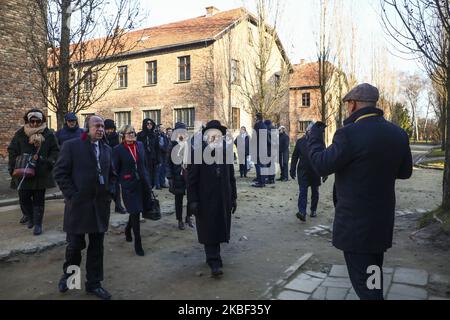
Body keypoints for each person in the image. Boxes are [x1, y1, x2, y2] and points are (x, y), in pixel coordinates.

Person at [307, 83, 413, 300]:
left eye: (348, 105)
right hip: (381, 223)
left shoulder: (348, 135)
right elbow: (405, 172)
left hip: (357, 227)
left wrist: (314, 138)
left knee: (367, 289)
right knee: (373, 276)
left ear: (353, 105)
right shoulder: (398, 134)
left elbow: (321, 165)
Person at [53, 115, 115, 300]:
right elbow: (60, 172)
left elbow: (112, 174)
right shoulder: (72, 146)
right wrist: (72, 195)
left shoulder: (106, 149)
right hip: (78, 208)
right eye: (96, 125)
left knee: (97, 247)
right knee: (74, 246)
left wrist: (109, 192)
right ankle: (70, 276)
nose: (101, 129)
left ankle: (94, 284)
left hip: (99, 208)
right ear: (87, 128)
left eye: (102, 126)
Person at [187, 120, 237, 277]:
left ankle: (215, 256)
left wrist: (233, 197)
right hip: (205, 200)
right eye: (212, 135)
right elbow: (191, 181)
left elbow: (231, 178)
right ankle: (213, 261)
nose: (215, 138)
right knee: (209, 230)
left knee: (219, 228)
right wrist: (193, 201)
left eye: (218, 136)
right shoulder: (197, 154)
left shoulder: (226, 153)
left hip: (223, 198)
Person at [7, 109, 59, 235]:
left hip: (41, 172)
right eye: (32, 121)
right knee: (24, 198)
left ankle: (37, 224)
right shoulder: (20, 134)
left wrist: (48, 161)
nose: (35, 124)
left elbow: (55, 151)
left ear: (42, 121)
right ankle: (30, 217)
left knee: (39, 199)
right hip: (23, 171)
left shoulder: (48, 134)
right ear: (28, 121)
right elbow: (12, 149)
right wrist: (15, 163)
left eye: (38, 121)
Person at [113, 125, 152, 256]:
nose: (132, 135)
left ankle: (128, 229)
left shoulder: (139, 145)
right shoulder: (118, 150)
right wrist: (123, 180)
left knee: (137, 211)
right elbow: (115, 170)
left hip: (142, 184)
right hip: (129, 186)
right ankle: (138, 243)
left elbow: (144, 164)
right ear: (123, 135)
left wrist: (147, 180)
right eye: (129, 133)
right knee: (135, 211)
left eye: (133, 133)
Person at [290, 123, 325, 222]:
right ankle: (302, 212)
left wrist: (324, 173)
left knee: (315, 192)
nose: (311, 133)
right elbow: (295, 156)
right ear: (307, 131)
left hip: (315, 171)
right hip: (303, 171)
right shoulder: (300, 141)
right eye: (310, 131)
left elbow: (324, 157)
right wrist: (292, 169)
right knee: (303, 191)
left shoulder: (319, 142)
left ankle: (313, 210)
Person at [167, 122, 193, 230]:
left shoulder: (189, 144)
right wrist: (170, 177)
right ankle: (179, 220)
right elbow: (168, 162)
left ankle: (188, 217)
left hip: (189, 175)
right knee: (179, 199)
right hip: (177, 175)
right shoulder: (172, 144)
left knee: (191, 198)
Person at [104, 119, 126, 214]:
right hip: (104, 166)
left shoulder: (118, 138)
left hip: (115, 166)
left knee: (116, 188)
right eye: (107, 129)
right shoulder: (102, 138)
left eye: (111, 129)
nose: (109, 131)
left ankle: (118, 206)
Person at [137, 118, 160, 188]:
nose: (149, 125)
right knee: (145, 175)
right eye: (148, 124)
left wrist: (158, 160)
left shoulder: (154, 135)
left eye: (151, 124)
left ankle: (150, 189)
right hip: (143, 158)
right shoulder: (140, 135)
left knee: (152, 176)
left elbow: (157, 148)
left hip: (152, 158)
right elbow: (138, 147)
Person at [252, 113, 268, 188]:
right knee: (263, 165)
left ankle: (260, 182)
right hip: (263, 148)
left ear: (257, 118)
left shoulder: (257, 125)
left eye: (255, 117)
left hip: (258, 148)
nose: (254, 119)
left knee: (259, 165)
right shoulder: (265, 126)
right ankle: (263, 181)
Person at [156, 124, 170, 190]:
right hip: (160, 154)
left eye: (163, 127)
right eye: (161, 127)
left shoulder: (163, 135)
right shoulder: (157, 135)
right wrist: (165, 149)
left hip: (165, 155)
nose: (163, 128)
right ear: (158, 128)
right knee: (159, 169)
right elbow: (159, 145)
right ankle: (158, 184)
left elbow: (166, 143)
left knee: (163, 170)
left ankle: (162, 183)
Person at [264, 119, 276, 185]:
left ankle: (270, 179)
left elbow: (268, 141)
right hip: (273, 150)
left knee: (269, 165)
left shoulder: (268, 129)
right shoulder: (274, 129)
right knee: (272, 165)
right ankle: (272, 179)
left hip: (269, 150)